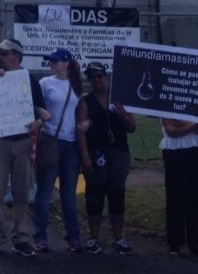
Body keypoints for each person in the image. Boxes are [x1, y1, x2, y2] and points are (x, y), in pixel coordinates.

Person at [0, 39, 45, 258]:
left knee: (22, 191)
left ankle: (22, 237)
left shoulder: (30, 80)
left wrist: (38, 124)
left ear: (15, 56)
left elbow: (41, 111)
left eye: (3, 54)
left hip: (22, 141)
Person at [76, 61, 135, 255]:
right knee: (95, 195)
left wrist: (123, 114)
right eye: (93, 77)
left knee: (117, 194)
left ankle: (118, 238)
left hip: (119, 152)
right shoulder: (86, 101)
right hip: (96, 153)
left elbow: (132, 127)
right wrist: (85, 158)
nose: (97, 80)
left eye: (100, 76)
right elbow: (81, 132)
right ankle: (94, 238)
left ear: (106, 76)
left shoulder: (119, 99)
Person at [34, 47, 82, 253]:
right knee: (44, 192)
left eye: (55, 61)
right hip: (51, 140)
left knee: (68, 194)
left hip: (72, 144)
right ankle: (40, 236)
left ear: (66, 63)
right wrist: (40, 113)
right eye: (51, 61)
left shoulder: (76, 85)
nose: (52, 63)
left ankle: (74, 237)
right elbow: (34, 103)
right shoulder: (45, 83)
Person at [160, 114, 198, 257]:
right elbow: (171, 129)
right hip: (174, 150)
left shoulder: (196, 100)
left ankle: (196, 242)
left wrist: (184, 123)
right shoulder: (168, 101)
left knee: (196, 198)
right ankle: (175, 242)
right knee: (176, 197)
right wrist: (195, 125)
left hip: (195, 150)